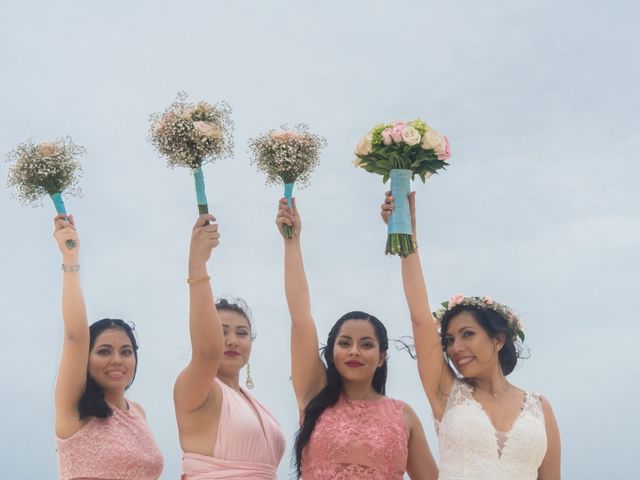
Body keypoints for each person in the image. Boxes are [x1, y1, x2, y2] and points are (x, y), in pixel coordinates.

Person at [382, 191, 561, 480]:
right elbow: (419, 318)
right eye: (449, 339)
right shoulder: (447, 393)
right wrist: (407, 239)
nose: (456, 348)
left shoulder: (540, 408)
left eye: (467, 334)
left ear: (498, 339)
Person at [276, 198, 438, 480]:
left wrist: (407, 238)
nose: (354, 351)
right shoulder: (314, 392)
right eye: (344, 343)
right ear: (332, 351)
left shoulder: (404, 416)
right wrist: (292, 242)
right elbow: (300, 317)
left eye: (366, 345)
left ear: (382, 356)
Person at [53, 214, 163, 480]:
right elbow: (75, 336)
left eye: (126, 352)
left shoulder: (138, 412)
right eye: (104, 351)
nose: (117, 359)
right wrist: (71, 260)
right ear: (86, 359)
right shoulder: (74, 407)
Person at [175, 214, 285, 480]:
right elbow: (207, 352)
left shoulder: (251, 402)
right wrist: (197, 266)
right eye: (221, 332)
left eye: (242, 333)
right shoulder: (197, 390)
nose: (233, 340)